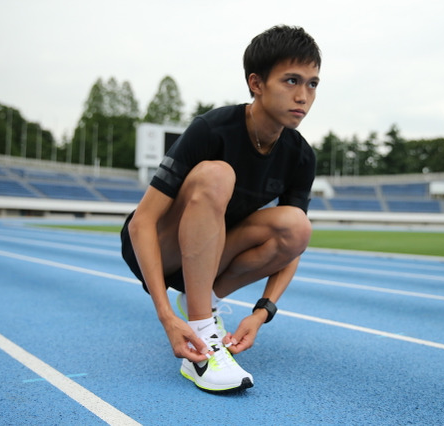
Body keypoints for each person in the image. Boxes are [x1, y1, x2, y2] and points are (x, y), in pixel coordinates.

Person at [121, 25, 321, 393]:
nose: (303, 96)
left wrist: (262, 313)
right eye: (291, 80)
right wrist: (166, 314)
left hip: (214, 253)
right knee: (216, 174)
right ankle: (201, 341)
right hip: (162, 249)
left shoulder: (300, 156)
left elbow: (292, 249)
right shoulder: (213, 129)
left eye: (312, 84)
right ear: (256, 83)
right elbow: (141, 223)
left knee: (298, 226)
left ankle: (203, 299)